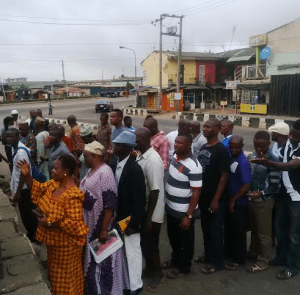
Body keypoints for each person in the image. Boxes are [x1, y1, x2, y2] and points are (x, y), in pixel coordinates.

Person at [16, 154, 89, 294]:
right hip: (54, 245)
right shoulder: (54, 184)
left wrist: (49, 223)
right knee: (55, 279)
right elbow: (37, 188)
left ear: (66, 171)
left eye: (55, 168)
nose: (52, 171)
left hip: (67, 248)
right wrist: (27, 176)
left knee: (66, 281)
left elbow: (75, 224)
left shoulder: (72, 195)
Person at [250, 120, 300, 279]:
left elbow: (292, 165)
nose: (291, 135)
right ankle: (281, 258)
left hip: (296, 196)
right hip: (282, 194)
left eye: (294, 134)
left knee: (294, 234)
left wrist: (269, 163)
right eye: (291, 132)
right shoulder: (287, 145)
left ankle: (292, 266)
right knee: (280, 229)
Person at [80, 141, 129, 295]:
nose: (83, 159)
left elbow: (110, 204)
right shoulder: (91, 171)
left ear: (94, 156)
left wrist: (103, 230)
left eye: (86, 156)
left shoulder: (105, 173)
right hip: (90, 226)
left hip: (101, 228)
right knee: (94, 265)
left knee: (103, 266)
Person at [163, 132, 202, 278]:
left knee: (185, 241)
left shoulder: (194, 165)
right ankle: (175, 259)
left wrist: (188, 215)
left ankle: (184, 267)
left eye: (180, 143)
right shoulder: (175, 156)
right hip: (171, 209)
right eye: (176, 142)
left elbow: (196, 192)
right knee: (173, 238)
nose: (176, 145)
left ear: (189, 145)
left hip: (184, 212)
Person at [112, 131, 146, 295]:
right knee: (123, 253)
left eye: (117, 145)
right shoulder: (116, 163)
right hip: (120, 218)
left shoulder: (134, 169)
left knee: (133, 253)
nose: (114, 146)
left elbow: (140, 201)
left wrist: (133, 224)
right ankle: (126, 282)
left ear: (126, 148)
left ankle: (136, 286)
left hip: (130, 220)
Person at [197, 118, 231, 273]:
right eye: (204, 126)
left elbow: (224, 176)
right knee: (205, 228)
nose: (205, 129)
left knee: (215, 230)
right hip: (203, 197)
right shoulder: (204, 146)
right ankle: (208, 255)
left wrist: (216, 199)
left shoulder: (221, 150)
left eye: (208, 127)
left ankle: (217, 262)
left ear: (217, 130)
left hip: (215, 199)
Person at [135, 128, 165, 292]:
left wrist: (148, 218)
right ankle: (149, 269)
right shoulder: (141, 154)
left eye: (138, 138)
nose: (135, 141)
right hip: (146, 209)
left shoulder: (153, 160)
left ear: (147, 139)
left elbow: (154, 191)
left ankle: (158, 273)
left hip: (153, 212)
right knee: (145, 243)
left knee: (152, 244)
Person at [247, 131, 280, 273]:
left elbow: (275, 186)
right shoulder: (252, 156)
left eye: (262, 146)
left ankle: (263, 261)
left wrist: (261, 193)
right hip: (252, 199)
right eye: (256, 145)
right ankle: (253, 252)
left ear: (269, 144)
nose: (259, 149)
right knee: (254, 229)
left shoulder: (273, 160)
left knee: (264, 234)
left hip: (264, 201)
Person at [223, 135, 251, 270]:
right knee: (229, 230)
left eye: (236, 147)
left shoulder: (243, 161)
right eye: (231, 147)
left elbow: (247, 185)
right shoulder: (231, 157)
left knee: (239, 232)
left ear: (242, 147)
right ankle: (228, 253)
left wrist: (234, 200)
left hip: (239, 203)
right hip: (230, 200)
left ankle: (239, 260)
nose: (233, 149)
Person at [7, 128, 37, 242]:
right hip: (22, 187)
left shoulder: (20, 152)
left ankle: (34, 235)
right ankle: (32, 233)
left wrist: (18, 192)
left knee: (27, 213)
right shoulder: (16, 147)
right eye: (8, 136)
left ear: (17, 136)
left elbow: (24, 174)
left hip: (24, 188)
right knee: (27, 212)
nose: (9, 139)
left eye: (12, 137)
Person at [35, 116, 50, 181]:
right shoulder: (47, 133)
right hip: (48, 159)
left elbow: (40, 151)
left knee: (45, 179)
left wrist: (39, 161)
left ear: (38, 125)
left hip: (43, 162)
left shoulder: (40, 136)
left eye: (35, 124)